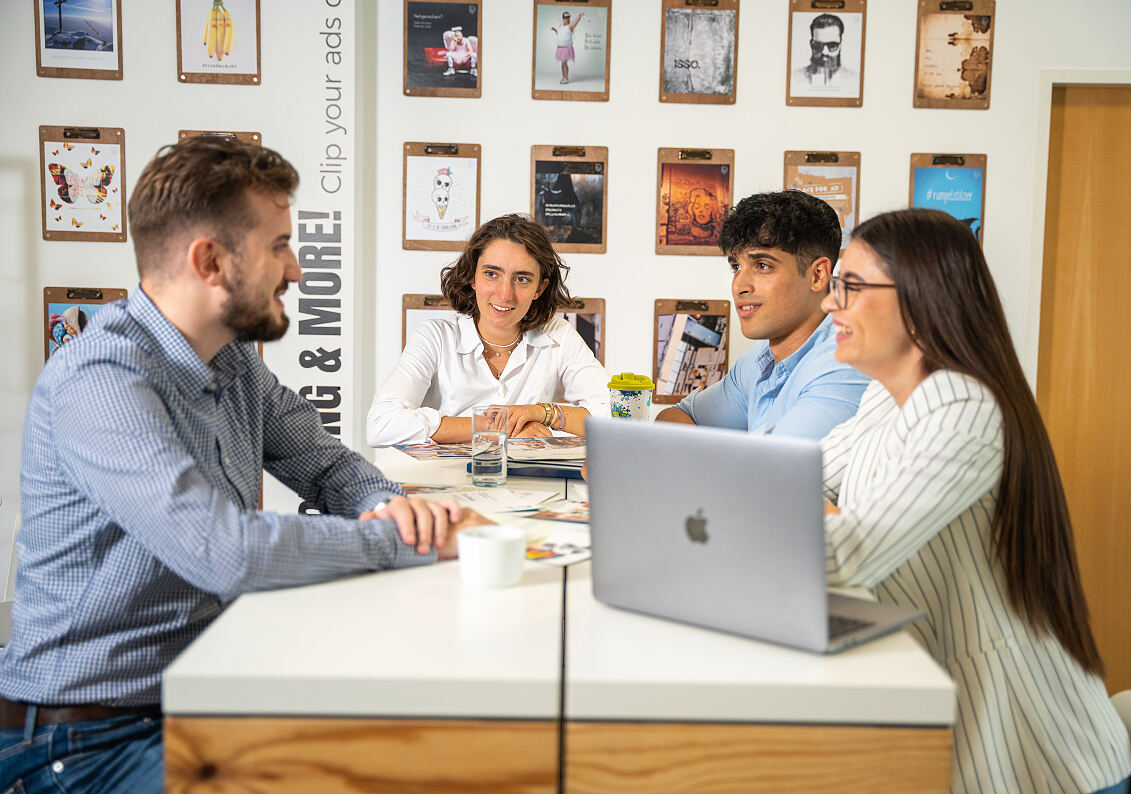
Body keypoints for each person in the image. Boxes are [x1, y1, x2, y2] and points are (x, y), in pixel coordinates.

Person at [0, 136, 486, 791]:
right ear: (209, 260)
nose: (297, 271)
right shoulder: (101, 379)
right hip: (82, 741)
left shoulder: (230, 364)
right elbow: (224, 551)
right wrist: (405, 539)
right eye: (279, 246)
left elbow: (327, 465)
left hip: (195, 695)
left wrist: (386, 504)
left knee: (415, 743)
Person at [818, 208, 1131, 792]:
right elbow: (795, 478)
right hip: (959, 741)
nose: (829, 306)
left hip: (1034, 762)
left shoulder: (962, 405)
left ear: (921, 296)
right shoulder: (883, 401)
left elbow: (844, 557)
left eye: (851, 287)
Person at [367, 214, 609, 446]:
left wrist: (540, 413)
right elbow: (381, 425)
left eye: (522, 278)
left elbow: (616, 414)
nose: (505, 294)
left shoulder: (559, 335)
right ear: (472, 277)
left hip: (535, 484)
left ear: (540, 288)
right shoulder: (435, 337)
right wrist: (496, 427)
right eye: (492, 274)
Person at [657, 190, 868, 439]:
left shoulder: (847, 360)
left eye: (763, 266)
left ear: (818, 275)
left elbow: (773, 469)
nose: (739, 286)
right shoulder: (760, 359)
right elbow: (677, 416)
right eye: (736, 266)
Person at [792, 13, 859, 91]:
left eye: (832, 45)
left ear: (840, 44)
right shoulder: (794, 78)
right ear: (811, 44)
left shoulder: (854, 80)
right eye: (818, 45)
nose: (825, 52)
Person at [550, 11, 583, 85]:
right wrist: (555, 30)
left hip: (567, 48)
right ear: (563, 19)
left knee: (564, 63)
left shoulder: (570, 26)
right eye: (565, 18)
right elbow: (559, 34)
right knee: (563, 63)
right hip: (560, 48)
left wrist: (579, 16)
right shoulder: (561, 27)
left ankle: (566, 78)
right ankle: (564, 77)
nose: (567, 20)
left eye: (568, 18)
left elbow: (576, 22)